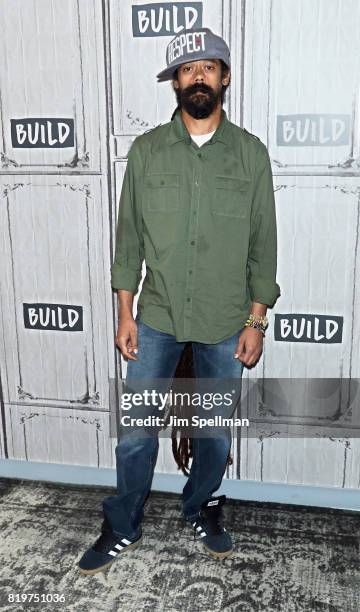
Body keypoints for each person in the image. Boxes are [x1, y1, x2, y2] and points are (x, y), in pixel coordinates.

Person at [78, 27, 281, 575]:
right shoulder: (146, 152)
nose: (198, 77)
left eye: (208, 67)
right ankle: (122, 523)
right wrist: (125, 313)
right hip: (158, 317)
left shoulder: (250, 155)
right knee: (135, 433)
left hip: (223, 320)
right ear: (175, 83)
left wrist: (255, 320)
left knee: (213, 433)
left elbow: (264, 248)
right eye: (186, 70)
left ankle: (202, 507)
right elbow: (128, 243)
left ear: (225, 77)